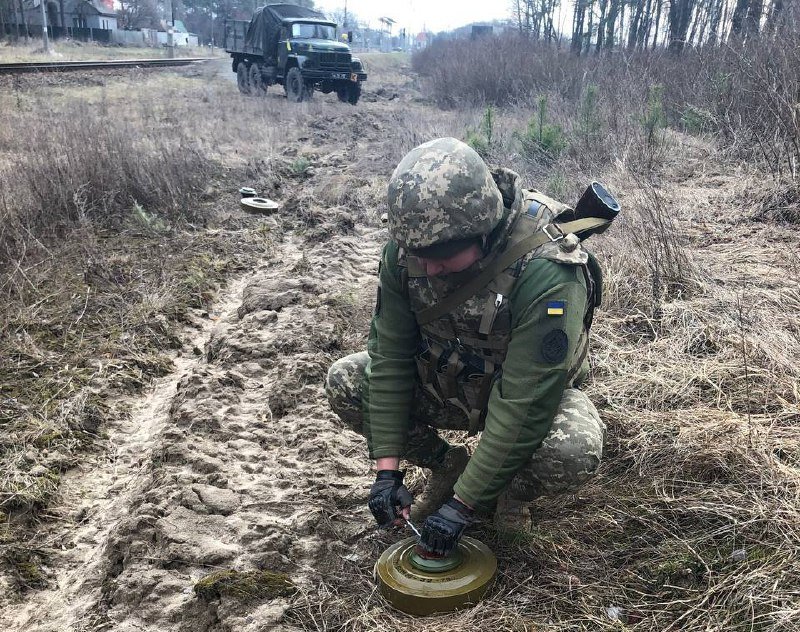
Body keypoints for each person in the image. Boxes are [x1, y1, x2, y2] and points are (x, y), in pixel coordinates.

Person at [326, 137, 607, 557]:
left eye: (443, 256)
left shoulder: (548, 269)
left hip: (520, 394)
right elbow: (390, 358)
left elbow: (524, 401)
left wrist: (463, 505)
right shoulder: (410, 249)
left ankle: (511, 491)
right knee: (348, 382)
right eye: (419, 255)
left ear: (483, 230)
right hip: (447, 382)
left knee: (572, 448)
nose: (429, 267)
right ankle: (447, 465)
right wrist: (387, 472)